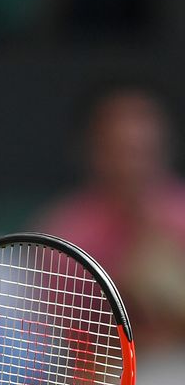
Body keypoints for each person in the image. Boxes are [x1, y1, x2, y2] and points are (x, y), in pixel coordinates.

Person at [33, 83, 185, 352]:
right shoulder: (64, 235)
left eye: (143, 152)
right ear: (92, 152)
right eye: (120, 152)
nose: (132, 168)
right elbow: (65, 345)